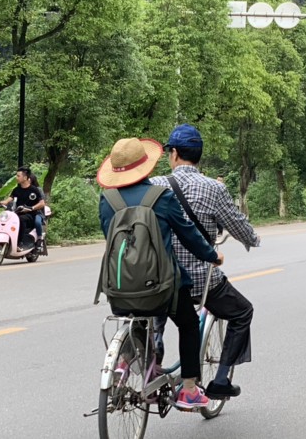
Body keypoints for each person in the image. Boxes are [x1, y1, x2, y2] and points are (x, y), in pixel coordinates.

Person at [97, 137, 222, 411]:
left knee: (138, 317)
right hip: (162, 288)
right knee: (189, 324)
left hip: (118, 289)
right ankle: (189, 389)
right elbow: (188, 235)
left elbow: (111, 238)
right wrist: (212, 256)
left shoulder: (107, 200)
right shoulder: (161, 197)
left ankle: (122, 364)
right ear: (147, 167)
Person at [151, 124, 259, 400]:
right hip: (200, 281)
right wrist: (252, 239)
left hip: (158, 277)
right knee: (242, 312)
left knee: (157, 311)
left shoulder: (154, 186)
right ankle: (221, 379)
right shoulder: (214, 188)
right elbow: (237, 225)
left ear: (173, 154)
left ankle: (152, 363)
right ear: (198, 156)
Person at [0, 167, 46, 249]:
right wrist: (0, 203)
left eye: (18, 176)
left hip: (31, 215)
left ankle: (20, 243)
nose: (16, 178)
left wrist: (31, 208)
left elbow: (42, 203)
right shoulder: (16, 190)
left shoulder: (34, 190)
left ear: (25, 177)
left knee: (21, 219)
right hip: (18, 213)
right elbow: (8, 200)